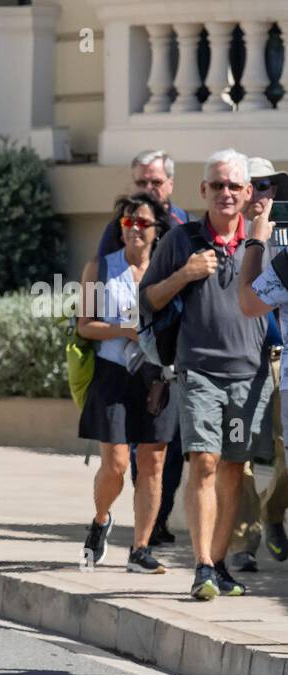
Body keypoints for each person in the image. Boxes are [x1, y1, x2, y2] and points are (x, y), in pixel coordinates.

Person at [140, 149, 272, 600]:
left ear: (248, 191)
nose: (227, 194)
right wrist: (186, 273)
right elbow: (149, 299)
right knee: (205, 460)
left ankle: (218, 564)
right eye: (218, 185)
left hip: (251, 374)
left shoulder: (265, 241)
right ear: (203, 191)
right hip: (199, 370)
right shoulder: (180, 240)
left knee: (234, 468)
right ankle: (201, 566)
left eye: (235, 185)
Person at [78, 193, 176, 573]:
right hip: (113, 375)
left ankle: (140, 549)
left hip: (156, 376)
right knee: (116, 464)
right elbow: (84, 326)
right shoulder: (99, 268)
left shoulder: (167, 271)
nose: (134, 229)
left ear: (157, 230)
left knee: (153, 463)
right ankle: (102, 519)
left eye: (143, 223)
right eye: (127, 223)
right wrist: (126, 330)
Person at [227, 158, 288, 572]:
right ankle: (244, 543)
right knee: (239, 451)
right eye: (254, 186)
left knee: (284, 452)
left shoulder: (282, 234)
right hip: (232, 357)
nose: (262, 195)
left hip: (276, 354)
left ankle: (271, 513)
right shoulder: (212, 233)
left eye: (269, 187)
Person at [96, 150, 189, 258]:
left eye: (156, 182)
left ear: (170, 185)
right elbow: (104, 269)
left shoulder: (185, 225)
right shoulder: (119, 225)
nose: (148, 189)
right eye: (141, 183)